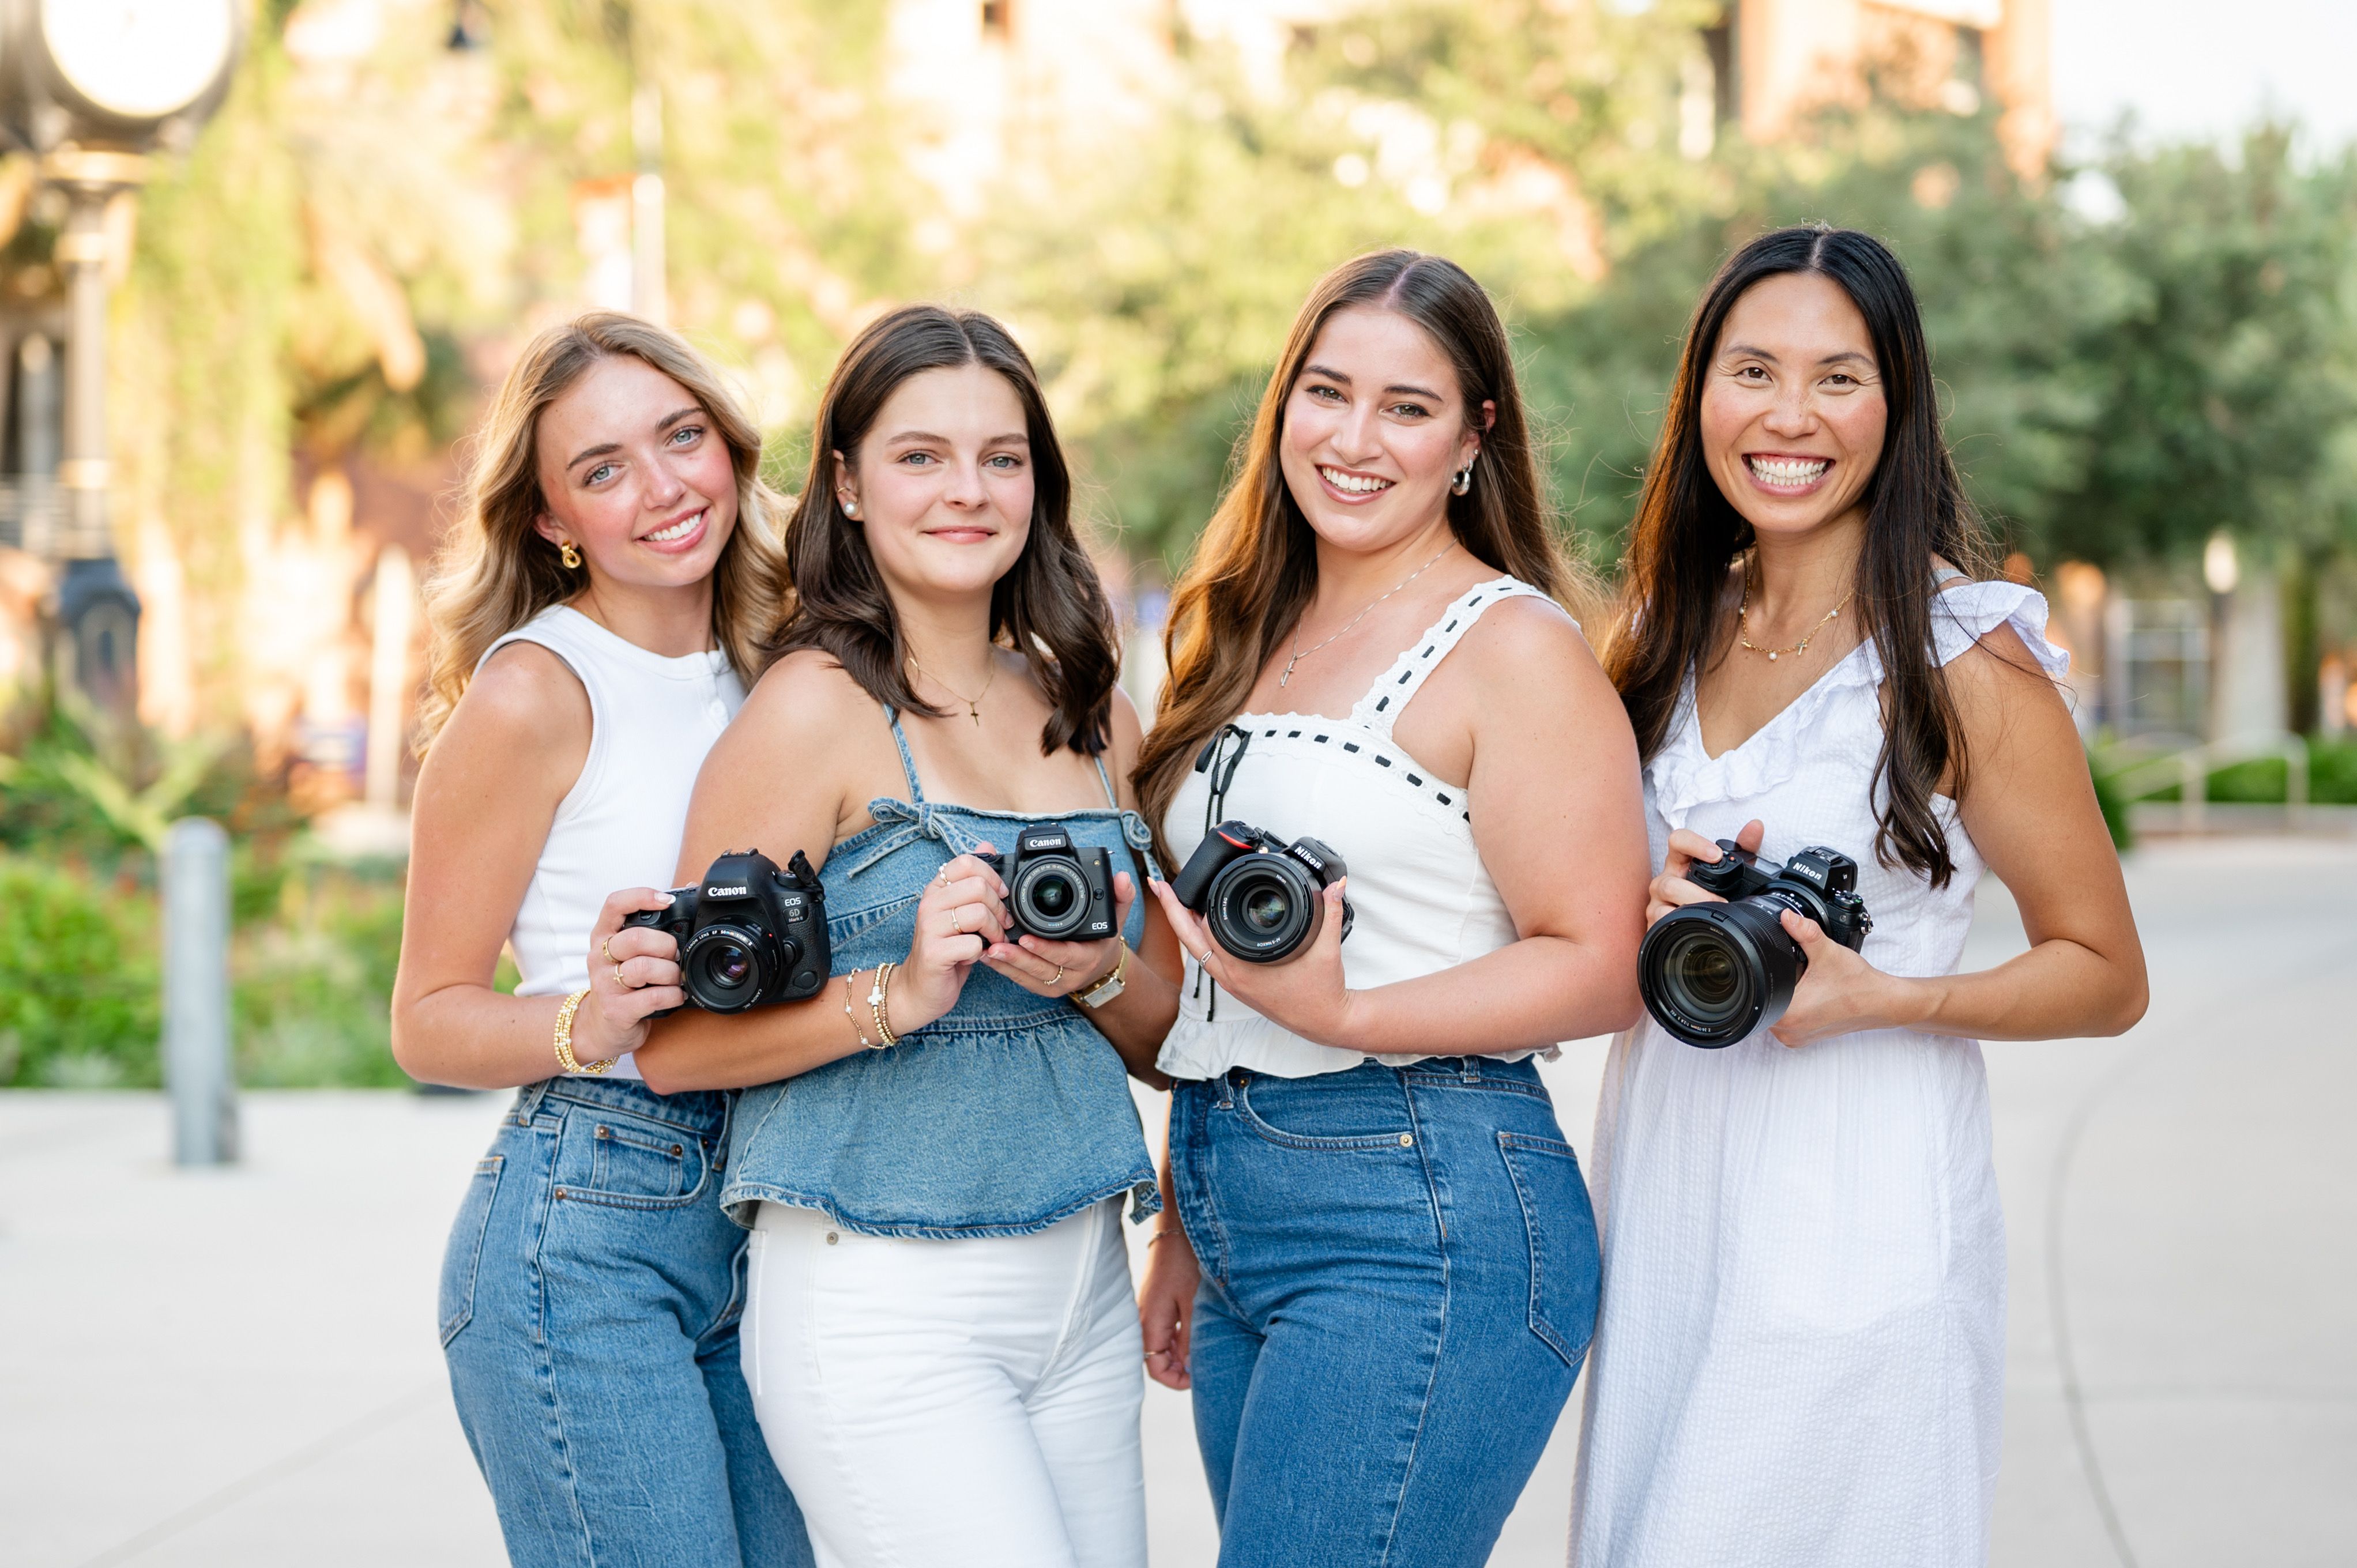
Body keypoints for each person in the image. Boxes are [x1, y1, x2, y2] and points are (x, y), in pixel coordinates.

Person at [1571, 225, 2149, 1568]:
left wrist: (1887, 994)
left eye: (1837, 377)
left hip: (1857, 1204)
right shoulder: (1660, 631)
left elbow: (2105, 969)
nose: (1787, 416)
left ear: (1896, 407)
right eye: (1751, 370)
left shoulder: (1962, 654)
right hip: (1664, 1207)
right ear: (1698, 395)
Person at [602, 304, 1181, 1568]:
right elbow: (676, 1047)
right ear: (850, 485)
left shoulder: (1092, 715)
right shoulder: (809, 712)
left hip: (1078, 1285)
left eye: (1002, 456)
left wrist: (1098, 974)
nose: (967, 490)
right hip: (879, 1299)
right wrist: (900, 989)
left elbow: (1170, 1032)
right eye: (920, 456)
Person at [1129, 249, 1652, 1568]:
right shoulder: (1242, 631)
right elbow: (1213, 968)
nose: (1354, 441)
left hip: (1419, 1208)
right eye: (1326, 392)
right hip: (1237, 1182)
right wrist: (1195, 1221)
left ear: (1473, 439)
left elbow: (1601, 962)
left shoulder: (1513, 647)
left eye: (1407, 408)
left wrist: (1350, 1008)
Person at [390, 312, 812, 1568]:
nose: (663, 488)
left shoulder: (781, 664)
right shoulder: (535, 689)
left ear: (728, 445)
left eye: (680, 436)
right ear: (552, 519)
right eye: (603, 469)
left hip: (769, 1207)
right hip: (591, 1223)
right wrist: (588, 1017)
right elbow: (426, 1017)